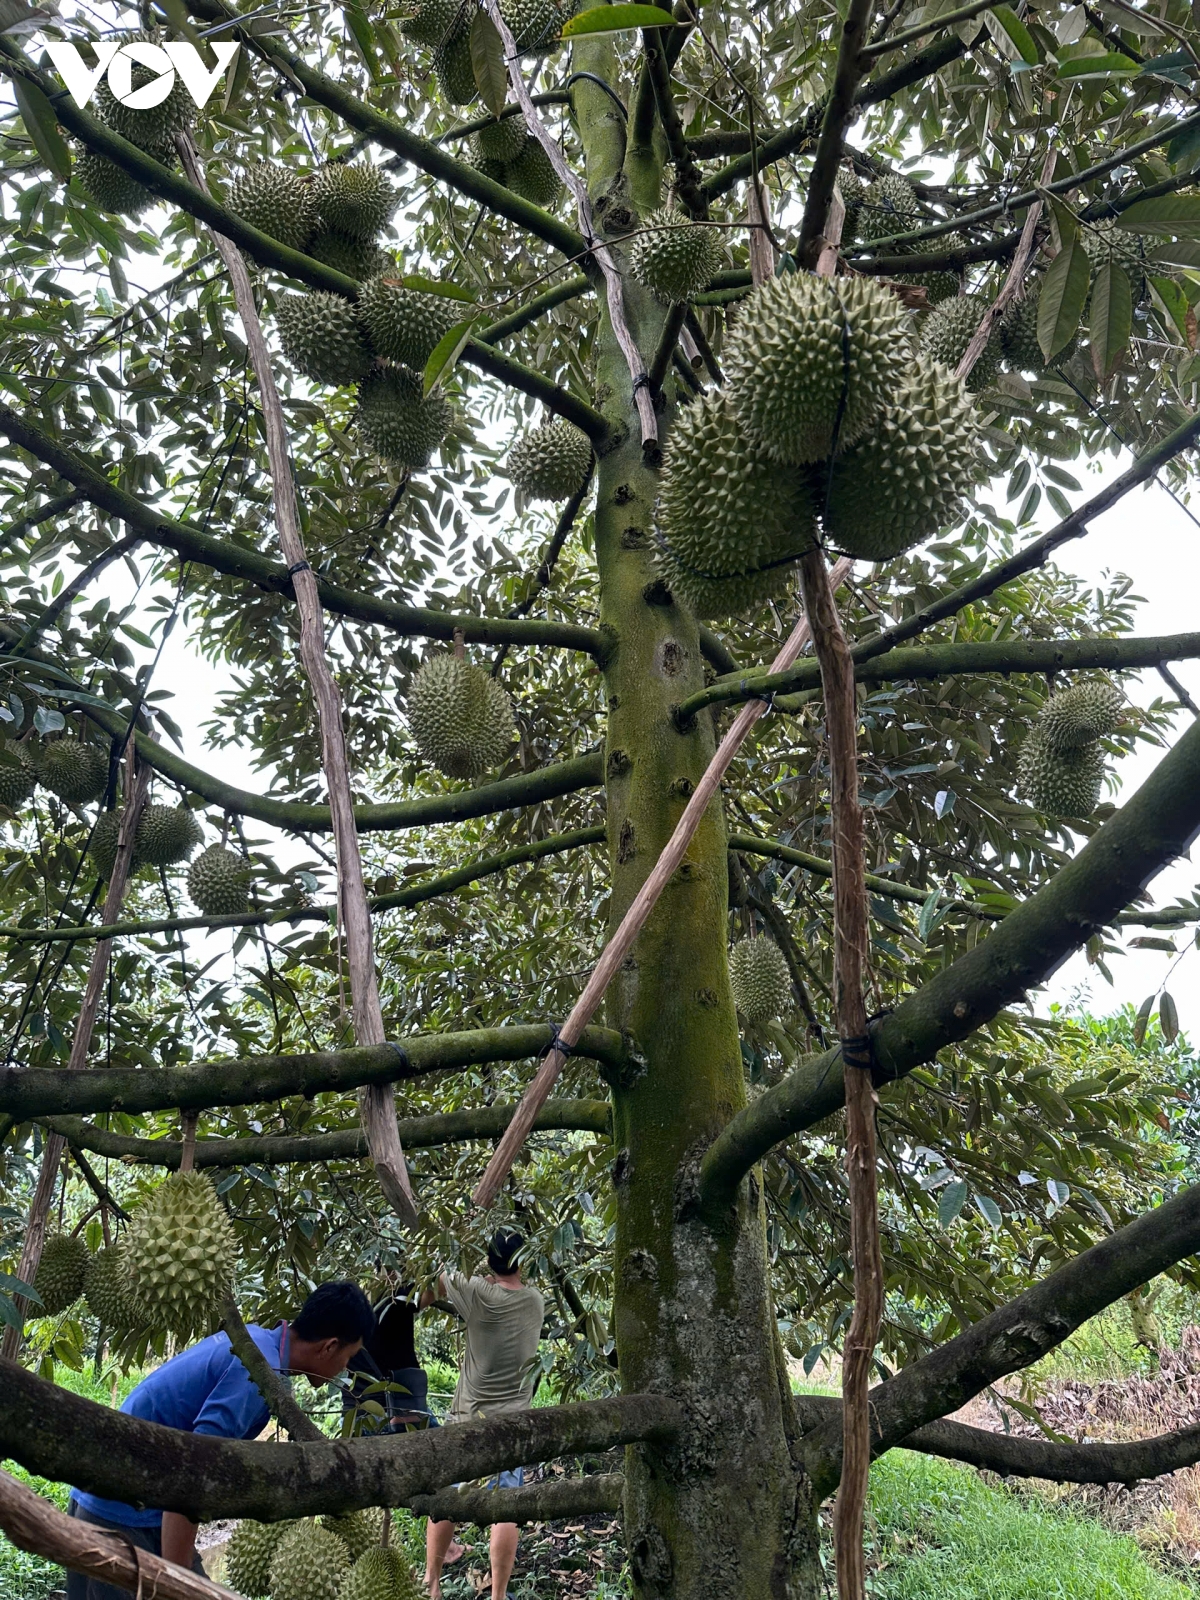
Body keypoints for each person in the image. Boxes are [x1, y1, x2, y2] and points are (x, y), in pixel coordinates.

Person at [67, 1280, 375, 1600]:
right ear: (329, 1346)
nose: (345, 1368)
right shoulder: (255, 1373)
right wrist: (179, 1579)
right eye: (348, 1357)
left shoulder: (256, 1344)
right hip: (120, 1513)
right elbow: (194, 1473)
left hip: (109, 1496)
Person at [422, 1228, 544, 1600]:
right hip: (513, 1425)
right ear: (523, 1261)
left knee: (446, 1499)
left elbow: (433, 1279)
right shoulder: (535, 1301)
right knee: (507, 1508)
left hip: (467, 1420)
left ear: (487, 1260)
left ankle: (432, 1583)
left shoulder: (476, 1292)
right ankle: (498, 1595)